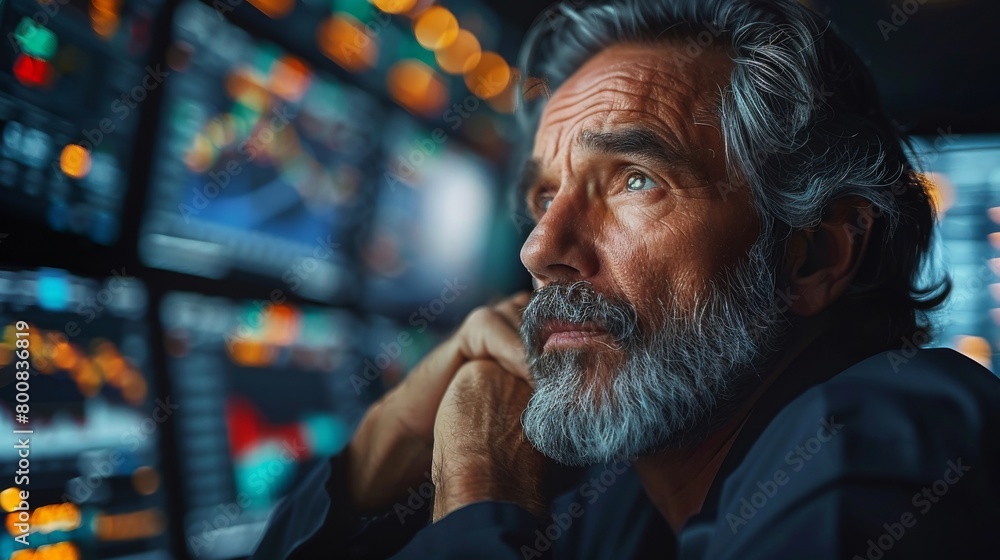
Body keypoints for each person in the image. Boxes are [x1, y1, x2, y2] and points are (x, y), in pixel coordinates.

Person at [252, 0, 1000, 557]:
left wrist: (480, 482)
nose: (542, 249)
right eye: (546, 195)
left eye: (635, 179)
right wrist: (397, 434)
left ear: (815, 255)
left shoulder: (888, 444)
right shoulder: (623, 494)